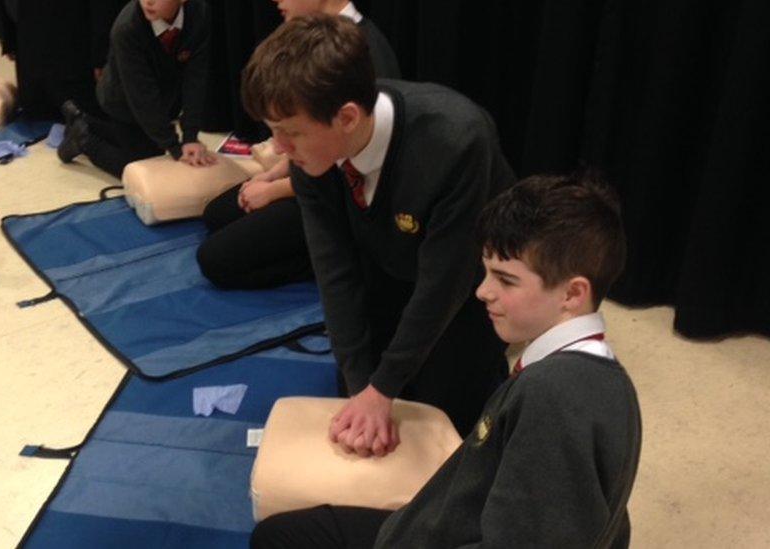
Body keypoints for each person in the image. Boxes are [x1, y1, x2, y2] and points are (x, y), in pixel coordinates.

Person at [252, 173, 642, 549]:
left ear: (572, 294)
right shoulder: (595, 375)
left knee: (279, 538)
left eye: (505, 280)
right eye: (486, 273)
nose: (482, 291)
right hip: (448, 521)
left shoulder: (557, 398)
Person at [242, 15, 513, 445]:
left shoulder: (456, 142)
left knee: (440, 422)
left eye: (289, 133)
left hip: (467, 288)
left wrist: (384, 387)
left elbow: (445, 281)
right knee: (356, 407)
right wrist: (360, 385)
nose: (279, 149)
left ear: (347, 117)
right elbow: (335, 270)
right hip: (389, 263)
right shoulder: (314, 155)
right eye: (274, 132)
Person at [197, 0, 401, 289]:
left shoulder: (365, 56)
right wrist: (271, 175)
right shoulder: (316, 44)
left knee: (216, 261)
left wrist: (274, 190)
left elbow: (348, 167)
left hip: (337, 192)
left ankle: (339, 259)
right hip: (315, 172)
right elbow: (304, 135)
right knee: (217, 214)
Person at [57, 0, 216, 176]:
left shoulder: (199, 13)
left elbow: (196, 79)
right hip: (121, 100)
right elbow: (142, 96)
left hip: (163, 97)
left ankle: (82, 121)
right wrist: (174, 146)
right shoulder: (127, 28)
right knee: (143, 167)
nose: (148, 2)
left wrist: (190, 137)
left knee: (153, 150)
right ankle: (84, 139)